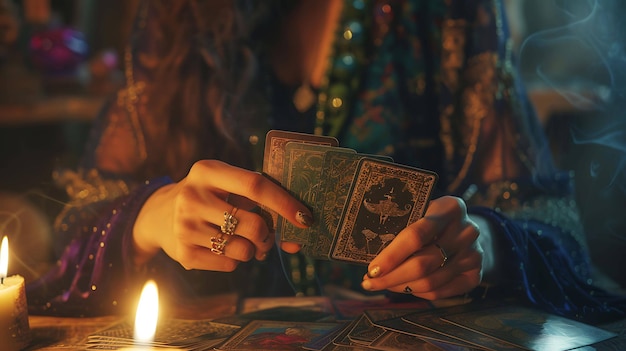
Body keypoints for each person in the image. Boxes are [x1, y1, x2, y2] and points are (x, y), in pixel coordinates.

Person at [25, 0, 625, 323]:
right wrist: (147, 218)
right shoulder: (177, 14)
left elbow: (556, 236)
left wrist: (481, 248)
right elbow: (77, 230)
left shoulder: (448, 10)